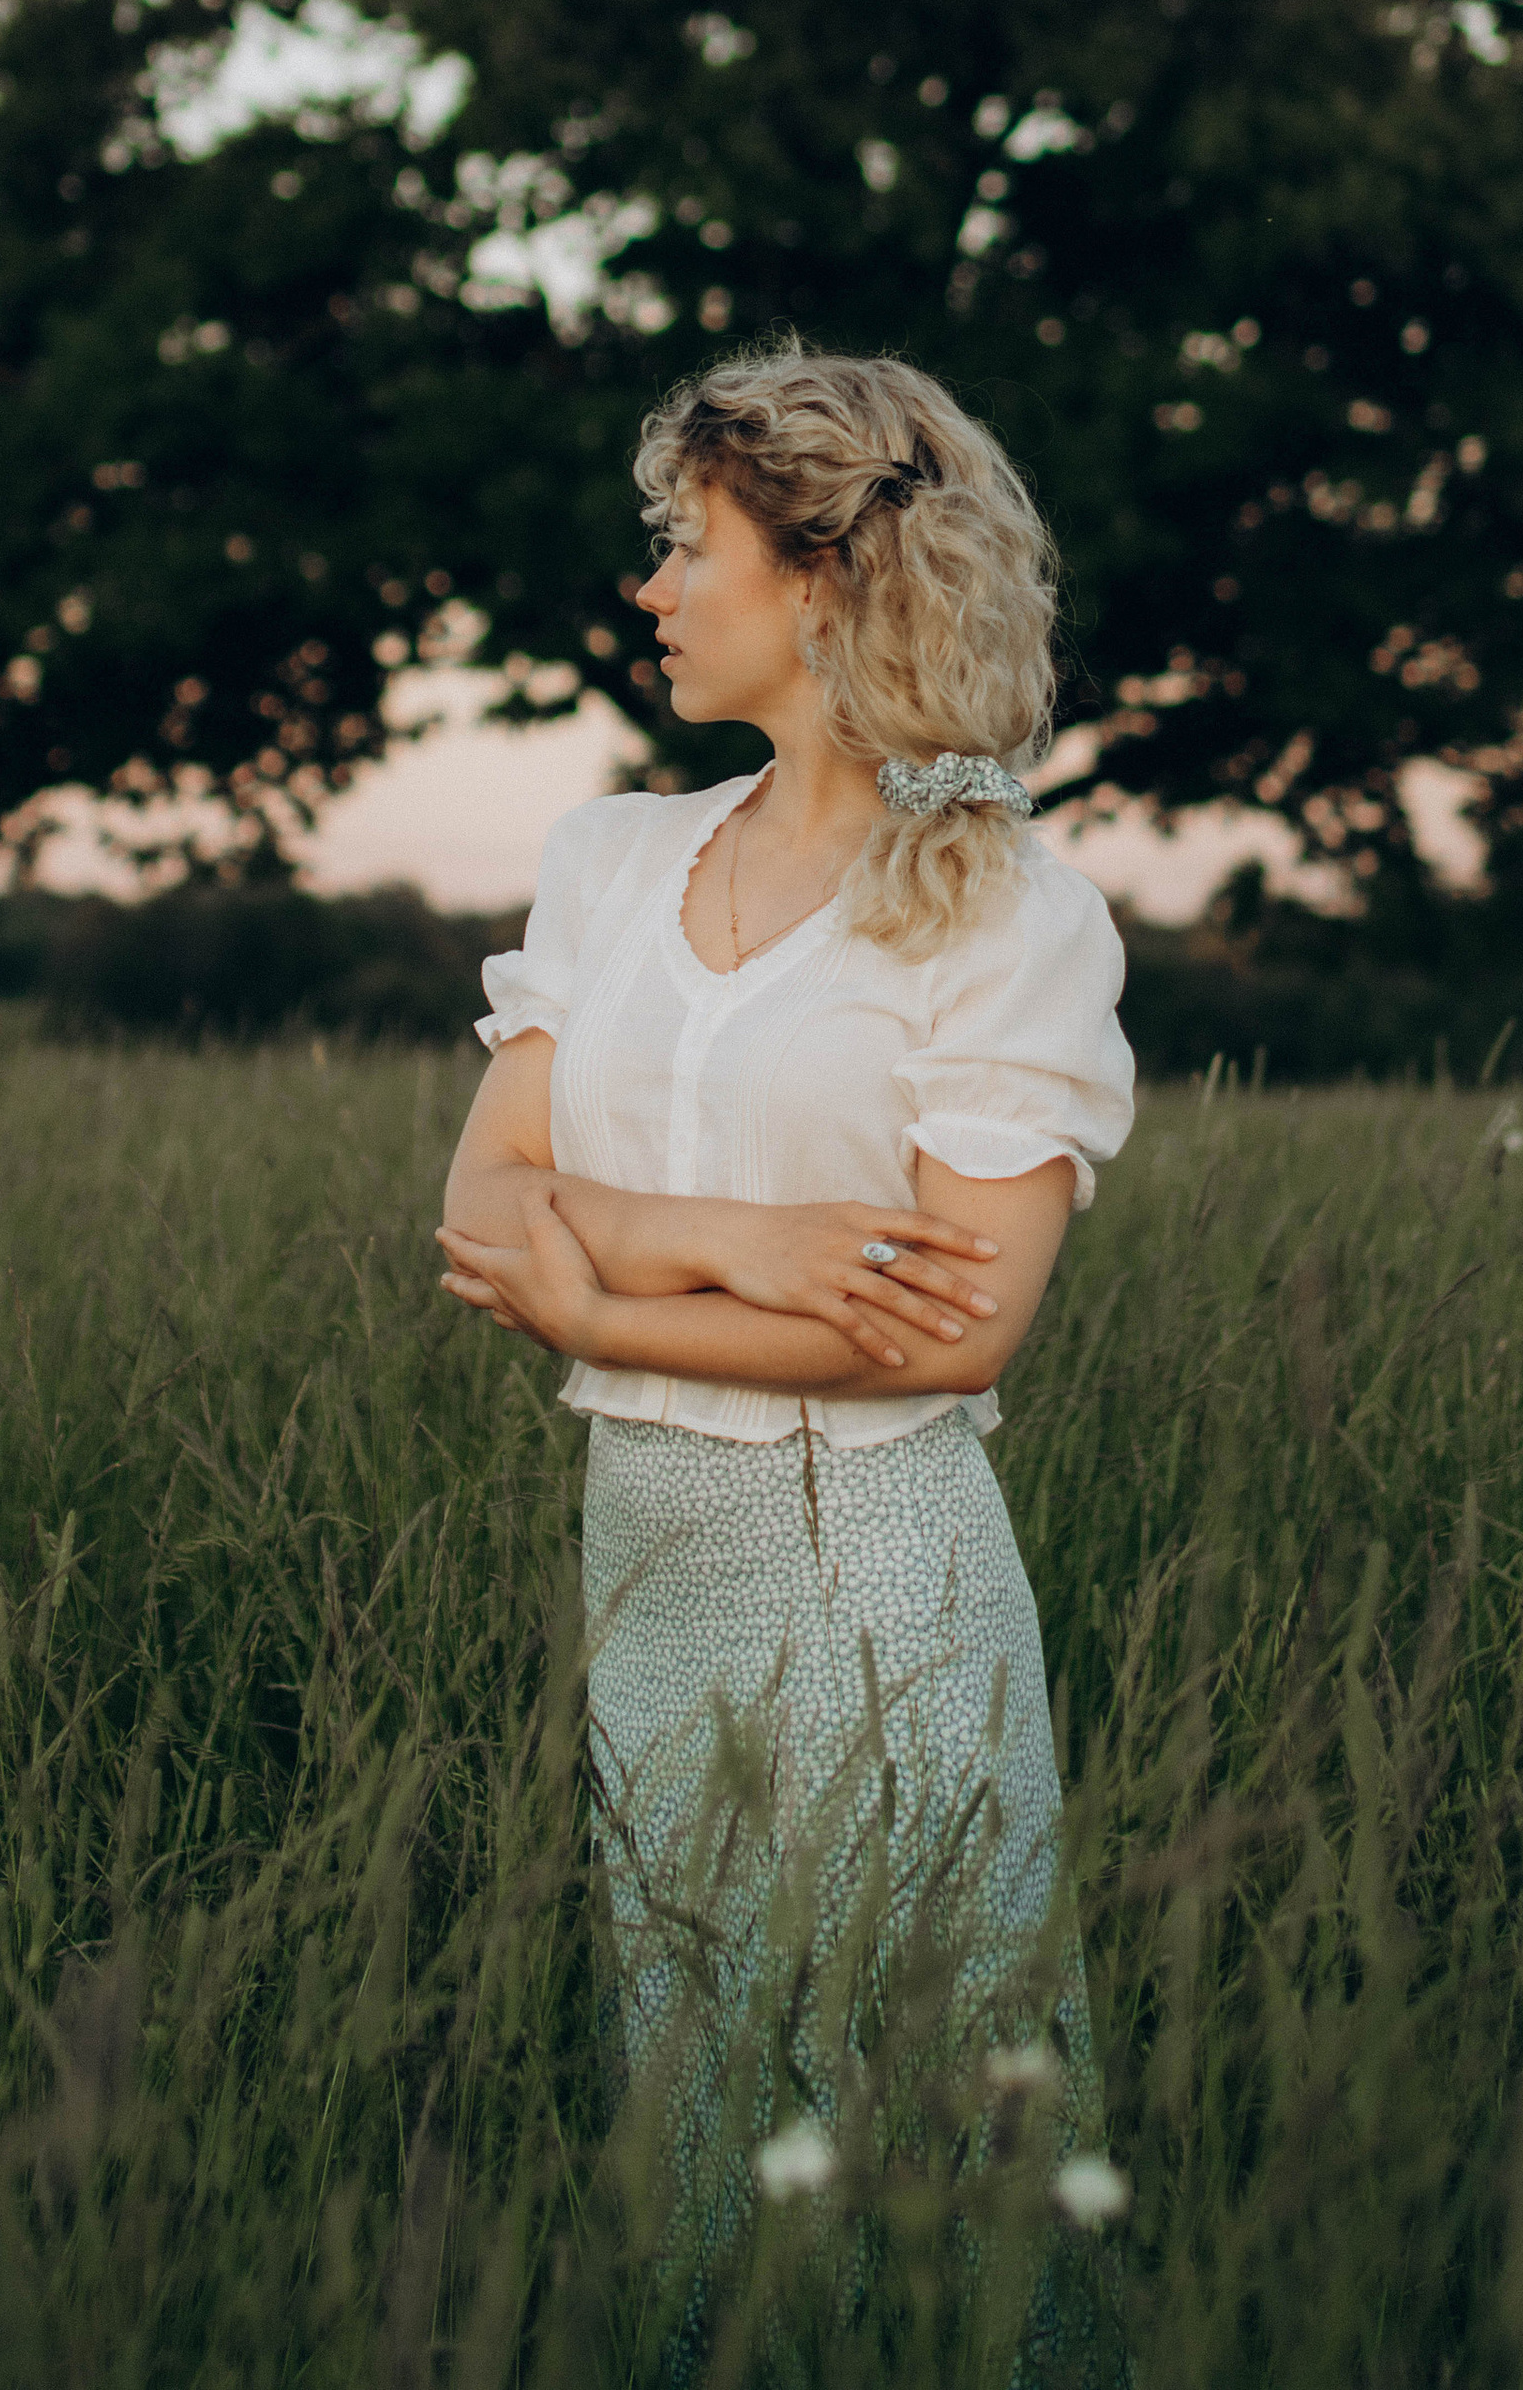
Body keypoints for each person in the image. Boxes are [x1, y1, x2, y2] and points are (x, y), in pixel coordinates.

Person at [437, 346, 1135, 2349]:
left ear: (823, 578)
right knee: (696, 2075)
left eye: (687, 547)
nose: (651, 588)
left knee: (923, 2079)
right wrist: (739, 1244)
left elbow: (952, 1326)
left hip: (871, 1559)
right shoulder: (610, 861)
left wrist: (591, 1298)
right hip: (646, 1551)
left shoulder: (1002, 903)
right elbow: (483, 1204)